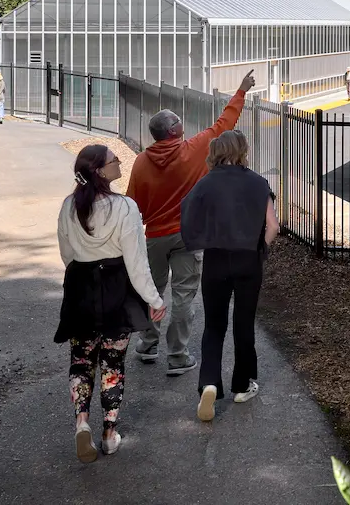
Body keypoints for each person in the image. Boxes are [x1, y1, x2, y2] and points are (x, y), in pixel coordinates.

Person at [126, 70, 256, 376]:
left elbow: (133, 206)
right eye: (179, 123)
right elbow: (225, 123)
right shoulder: (193, 150)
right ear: (175, 131)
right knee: (184, 293)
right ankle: (178, 355)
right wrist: (241, 90)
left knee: (153, 290)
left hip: (154, 236)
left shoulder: (142, 162)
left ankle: (147, 343)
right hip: (188, 235)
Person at [55, 145, 166, 462]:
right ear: (100, 171)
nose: (119, 162)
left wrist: (81, 273)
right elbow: (136, 262)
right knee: (112, 365)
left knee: (81, 360)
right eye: (113, 160)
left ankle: (81, 423)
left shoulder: (68, 206)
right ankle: (109, 433)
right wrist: (153, 299)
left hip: (80, 288)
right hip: (116, 288)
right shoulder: (125, 208)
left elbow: (66, 254)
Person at [181, 130, 279, 421]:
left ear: (214, 152)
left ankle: (210, 382)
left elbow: (186, 213)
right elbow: (273, 226)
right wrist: (260, 248)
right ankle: (241, 384)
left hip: (215, 260)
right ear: (243, 150)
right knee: (244, 323)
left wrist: (200, 241)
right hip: (249, 260)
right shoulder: (258, 183)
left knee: (214, 325)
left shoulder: (205, 184)